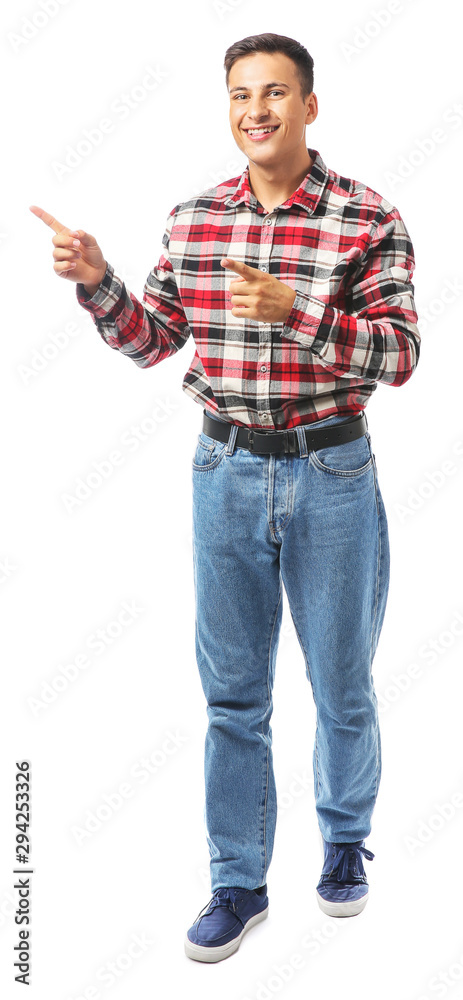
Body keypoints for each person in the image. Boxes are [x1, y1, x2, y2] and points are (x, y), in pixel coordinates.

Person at [30, 31, 420, 964]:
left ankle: (341, 845)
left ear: (309, 106)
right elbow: (155, 338)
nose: (257, 110)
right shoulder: (195, 217)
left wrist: (298, 312)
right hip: (225, 473)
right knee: (232, 695)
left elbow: (400, 356)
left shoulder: (365, 217)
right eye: (241, 94)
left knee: (341, 685)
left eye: (276, 93)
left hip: (331, 472)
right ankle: (238, 882)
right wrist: (99, 284)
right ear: (228, 107)